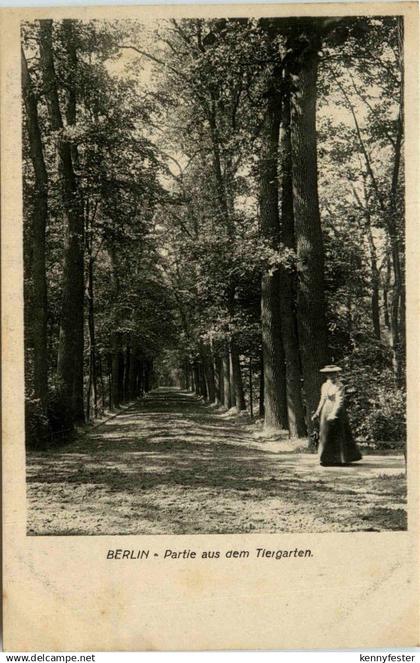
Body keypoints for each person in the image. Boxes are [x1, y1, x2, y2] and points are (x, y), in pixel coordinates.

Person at [311, 365, 362, 467]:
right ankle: (325, 459)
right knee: (326, 434)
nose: (332, 376)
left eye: (334, 374)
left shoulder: (340, 385)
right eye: (329, 374)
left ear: (337, 374)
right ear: (326, 375)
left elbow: (339, 401)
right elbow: (323, 399)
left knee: (338, 434)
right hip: (326, 410)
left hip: (337, 412)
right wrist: (317, 412)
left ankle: (341, 459)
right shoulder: (324, 385)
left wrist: (334, 414)